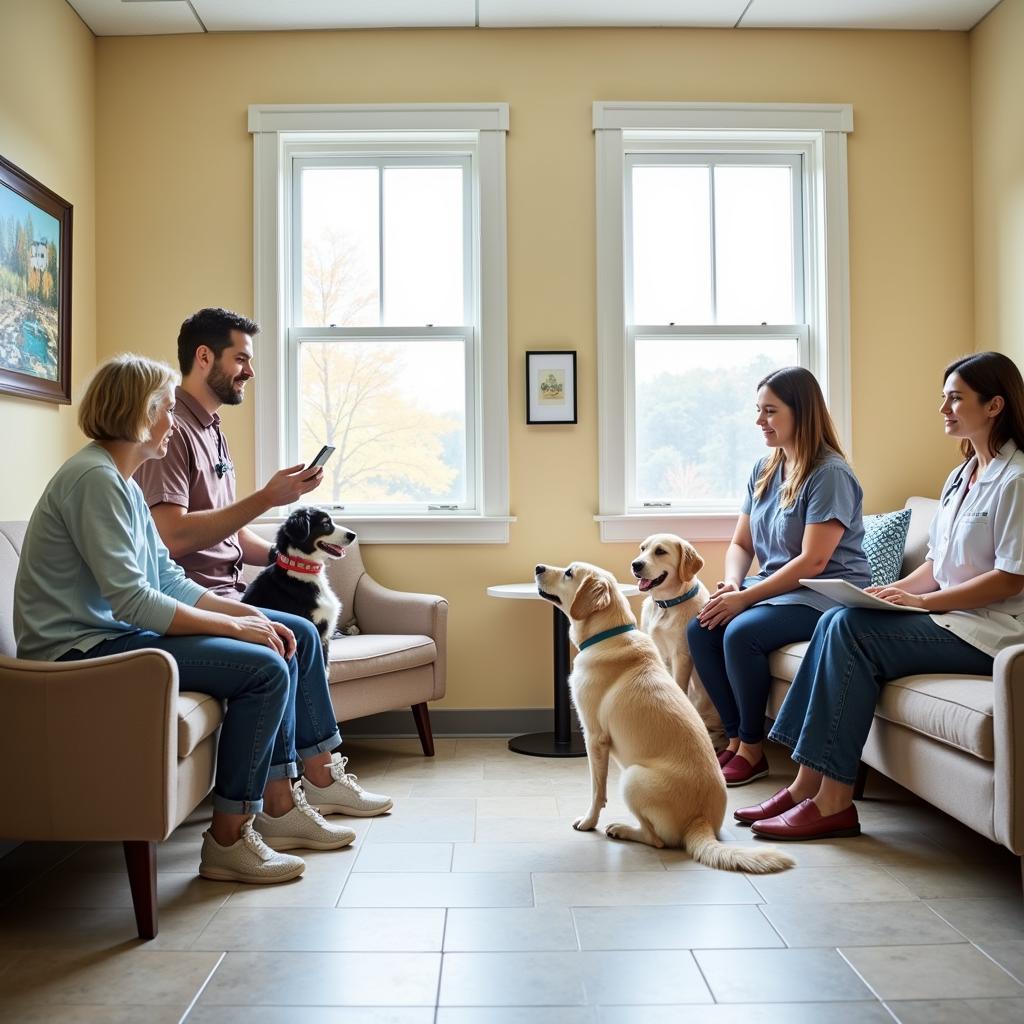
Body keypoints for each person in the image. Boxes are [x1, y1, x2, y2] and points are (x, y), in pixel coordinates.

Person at [14, 354, 359, 884]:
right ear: (140, 411)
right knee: (263, 669)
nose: (172, 423)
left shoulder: (122, 484)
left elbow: (167, 579)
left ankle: (285, 804)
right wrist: (236, 627)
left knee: (293, 633)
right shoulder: (94, 481)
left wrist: (245, 612)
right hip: (82, 653)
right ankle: (228, 840)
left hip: (118, 635)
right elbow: (132, 601)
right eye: (167, 410)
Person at [740, 351, 1024, 841]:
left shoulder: (1016, 480)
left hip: (992, 632)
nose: (944, 409)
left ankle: (832, 800)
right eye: (943, 398)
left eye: (955, 398)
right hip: (951, 618)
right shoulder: (962, 476)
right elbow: (938, 565)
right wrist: (894, 591)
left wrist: (925, 603)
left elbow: (1011, 578)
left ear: (995, 404)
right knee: (838, 618)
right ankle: (806, 784)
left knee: (849, 629)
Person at [133, 307, 391, 821]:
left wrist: (284, 554)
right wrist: (267, 497)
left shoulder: (214, 429)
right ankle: (308, 781)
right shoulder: (173, 432)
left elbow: (229, 531)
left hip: (228, 592)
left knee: (303, 632)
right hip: (195, 597)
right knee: (298, 633)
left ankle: (318, 773)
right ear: (204, 357)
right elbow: (171, 536)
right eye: (241, 359)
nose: (249, 371)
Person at [687, 366, 871, 787]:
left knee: (741, 633)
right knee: (701, 629)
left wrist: (746, 601)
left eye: (770, 411)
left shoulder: (830, 474)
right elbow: (741, 543)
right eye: (758, 410)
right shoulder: (765, 468)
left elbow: (813, 563)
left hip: (825, 594)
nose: (759, 421)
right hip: (777, 590)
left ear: (801, 413)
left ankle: (753, 750)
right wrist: (733, 583)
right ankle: (734, 740)